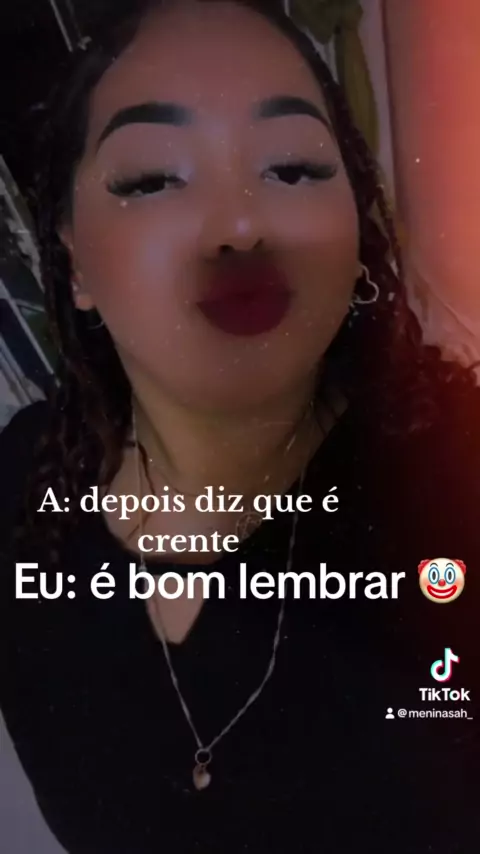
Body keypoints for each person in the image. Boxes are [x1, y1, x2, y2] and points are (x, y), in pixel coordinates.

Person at [1, 1, 479, 851]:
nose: (240, 226)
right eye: (152, 178)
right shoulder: (18, 489)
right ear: (74, 261)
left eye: (292, 167)